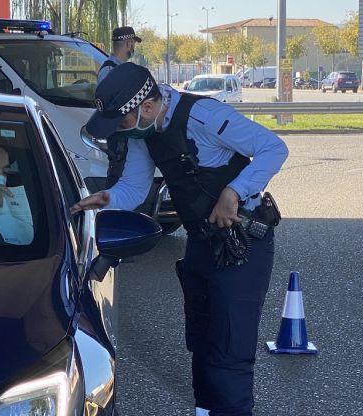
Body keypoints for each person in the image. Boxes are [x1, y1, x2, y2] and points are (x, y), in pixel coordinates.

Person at [72, 62, 289, 416]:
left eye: (121, 121)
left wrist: (234, 191)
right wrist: (99, 202)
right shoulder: (144, 132)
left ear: (145, 106)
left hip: (242, 242)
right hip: (203, 242)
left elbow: (273, 147)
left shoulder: (203, 115)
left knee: (229, 351)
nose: (120, 131)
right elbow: (134, 188)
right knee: (202, 344)